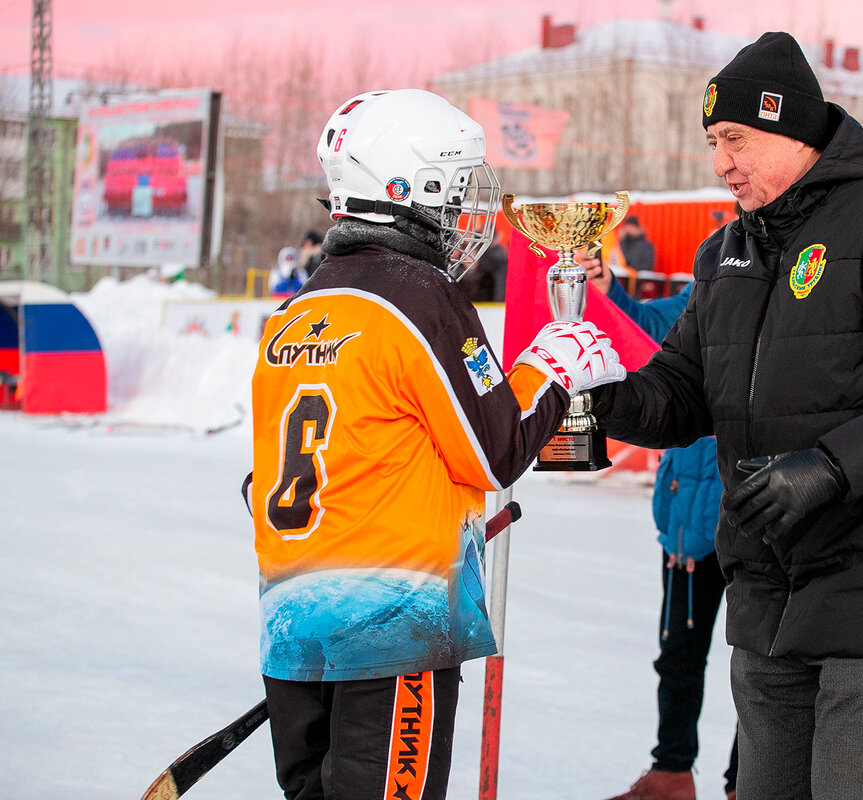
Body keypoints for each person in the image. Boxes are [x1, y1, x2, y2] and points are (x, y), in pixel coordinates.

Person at [587, 32, 863, 800]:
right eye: (713, 141)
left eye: (735, 139)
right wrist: (598, 396)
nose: (721, 162)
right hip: (767, 593)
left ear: (792, 129)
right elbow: (680, 390)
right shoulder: (726, 253)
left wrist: (829, 468)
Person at [243, 88, 624, 800]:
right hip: (394, 634)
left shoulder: (294, 313)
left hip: (293, 634)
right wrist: (553, 365)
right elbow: (493, 451)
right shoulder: (421, 297)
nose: (467, 212)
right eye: (456, 190)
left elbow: (262, 484)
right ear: (406, 190)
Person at [583, 253, 738, 800]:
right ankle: (672, 771)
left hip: (758, 517)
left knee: (759, 665)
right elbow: (647, 327)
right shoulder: (702, 298)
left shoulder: (787, 308)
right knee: (678, 654)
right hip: (688, 520)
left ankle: (748, 781)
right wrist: (606, 289)